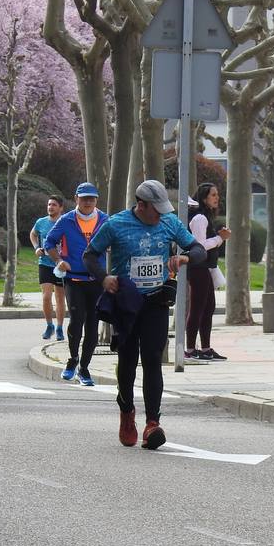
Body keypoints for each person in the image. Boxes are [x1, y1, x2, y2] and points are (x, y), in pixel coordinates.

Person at [83, 180, 205, 450]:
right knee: (128, 360)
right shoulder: (116, 224)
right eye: (155, 210)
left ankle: (152, 423)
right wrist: (104, 277)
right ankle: (127, 412)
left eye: (163, 210)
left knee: (152, 359)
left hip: (156, 301)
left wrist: (184, 258)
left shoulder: (169, 223)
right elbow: (90, 256)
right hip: (126, 302)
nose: (160, 215)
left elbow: (198, 250)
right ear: (141, 205)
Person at [45, 182, 108, 385]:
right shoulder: (66, 220)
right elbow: (48, 243)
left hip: (97, 279)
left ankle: (85, 368)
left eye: (92, 198)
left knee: (92, 325)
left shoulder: (105, 220)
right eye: (84, 198)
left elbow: (117, 242)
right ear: (76, 199)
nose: (88, 202)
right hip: (74, 279)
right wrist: (59, 261)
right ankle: (72, 359)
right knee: (77, 320)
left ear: (97, 200)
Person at [186, 182, 232, 360]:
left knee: (208, 307)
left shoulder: (206, 217)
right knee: (198, 308)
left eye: (217, 194)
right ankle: (190, 349)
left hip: (206, 268)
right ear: (204, 198)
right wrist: (220, 238)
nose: (217, 198)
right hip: (198, 268)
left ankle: (205, 348)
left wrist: (218, 237)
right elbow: (199, 246)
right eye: (213, 195)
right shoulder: (199, 218)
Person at [30, 194, 66, 341]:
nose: (50, 207)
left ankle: (59, 328)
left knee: (59, 298)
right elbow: (33, 234)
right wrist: (37, 247)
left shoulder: (65, 223)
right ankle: (49, 325)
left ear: (61, 208)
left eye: (54, 205)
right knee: (46, 297)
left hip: (60, 264)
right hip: (44, 263)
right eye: (49, 204)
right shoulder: (41, 222)